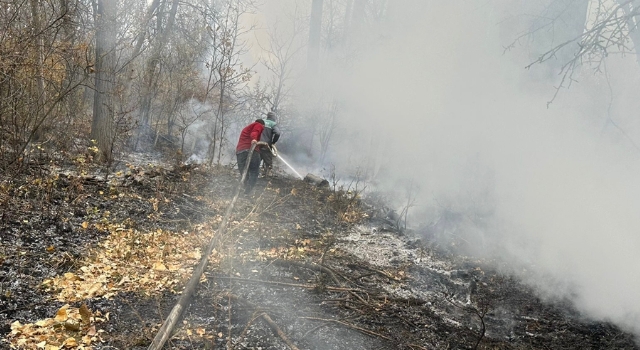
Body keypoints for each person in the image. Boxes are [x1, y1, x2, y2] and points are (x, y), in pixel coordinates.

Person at [236, 119, 265, 194]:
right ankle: (248, 191)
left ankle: (245, 189)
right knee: (254, 171)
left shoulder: (247, 128)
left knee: (244, 171)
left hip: (240, 152)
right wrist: (254, 139)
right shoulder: (259, 125)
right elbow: (254, 133)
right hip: (251, 150)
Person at [259, 111, 281, 177]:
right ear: (274, 117)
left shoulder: (261, 121)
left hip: (257, 145)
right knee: (268, 163)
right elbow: (277, 133)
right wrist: (273, 142)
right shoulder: (273, 124)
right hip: (266, 146)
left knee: (255, 162)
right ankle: (266, 178)